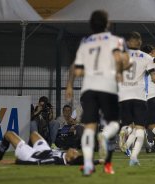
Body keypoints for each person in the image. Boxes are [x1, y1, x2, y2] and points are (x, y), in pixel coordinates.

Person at [65, 10, 130, 175]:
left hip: (88, 88)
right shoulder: (115, 40)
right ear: (107, 23)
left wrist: (70, 86)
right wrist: (121, 70)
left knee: (89, 127)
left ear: (91, 25)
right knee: (114, 123)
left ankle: (88, 165)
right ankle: (105, 136)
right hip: (107, 85)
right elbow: (121, 59)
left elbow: (76, 68)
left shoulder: (85, 42)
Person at [118, 32, 155, 166]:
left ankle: (124, 141)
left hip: (124, 95)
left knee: (130, 126)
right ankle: (133, 156)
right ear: (139, 43)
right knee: (140, 128)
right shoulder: (145, 57)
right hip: (140, 96)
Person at [0, 131, 103, 166]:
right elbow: (84, 162)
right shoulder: (72, 160)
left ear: (70, 158)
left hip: (31, 154)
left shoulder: (54, 161)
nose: (74, 150)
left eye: (75, 152)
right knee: (34, 134)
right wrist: (99, 161)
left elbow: (34, 163)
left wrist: (9, 162)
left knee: (8, 134)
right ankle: (27, 145)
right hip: (45, 149)